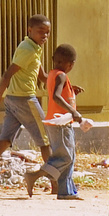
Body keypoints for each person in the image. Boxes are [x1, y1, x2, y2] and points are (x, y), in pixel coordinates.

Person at [0, 14, 52, 196]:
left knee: (3, 142)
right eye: (41, 32)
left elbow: (43, 77)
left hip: (14, 100)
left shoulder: (33, 47)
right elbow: (7, 75)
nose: (44, 36)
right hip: (25, 100)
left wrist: (65, 84)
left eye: (47, 33)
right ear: (29, 30)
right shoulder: (28, 50)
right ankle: (56, 184)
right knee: (46, 141)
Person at [26, 44, 88, 200]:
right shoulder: (61, 75)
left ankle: (66, 191)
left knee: (70, 157)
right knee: (65, 157)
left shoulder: (53, 74)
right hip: (60, 123)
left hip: (59, 122)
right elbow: (56, 96)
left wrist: (72, 90)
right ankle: (35, 176)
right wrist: (73, 112)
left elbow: (60, 92)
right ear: (71, 64)